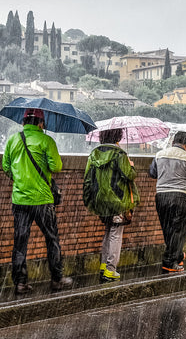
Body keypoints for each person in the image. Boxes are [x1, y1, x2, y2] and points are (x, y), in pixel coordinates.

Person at [2, 108, 73, 294]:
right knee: (52, 239)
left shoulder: (13, 140)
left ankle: (20, 283)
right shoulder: (46, 140)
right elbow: (56, 167)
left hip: (20, 200)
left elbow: (6, 166)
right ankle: (57, 279)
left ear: (23, 122)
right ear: (41, 124)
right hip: (42, 200)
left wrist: (20, 180)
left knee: (20, 243)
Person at [83, 128, 139, 281]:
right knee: (115, 234)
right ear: (118, 136)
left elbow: (88, 179)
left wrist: (89, 199)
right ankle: (110, 270)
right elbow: (130, 175)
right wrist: (131, 165)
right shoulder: (119, 154)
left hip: (101, 200)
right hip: (117, 200)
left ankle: (104, 265)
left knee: (108, 231)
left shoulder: (94, 154)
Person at [149, 131, 186, 273]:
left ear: (173, 142)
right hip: (181, 196)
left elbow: (153, 173)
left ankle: (177, 256)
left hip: (161, 196)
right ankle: (170, 261)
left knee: (168, 229)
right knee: (179, 230)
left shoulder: (159, 155)